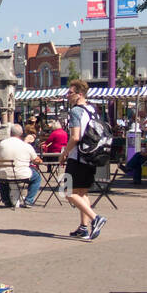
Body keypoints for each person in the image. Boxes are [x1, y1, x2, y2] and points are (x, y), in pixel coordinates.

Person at [57, 80, 106, 240]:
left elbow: (75, 137)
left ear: (80, 94)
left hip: (77, 157)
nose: (67, 95)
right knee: (82, 192)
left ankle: (95, 218)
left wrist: (65, 152)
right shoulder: (93, 109)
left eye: (70, 92)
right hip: (91, 156)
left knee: (68, 192)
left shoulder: (76, 111)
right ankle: (83, 228)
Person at [0, 124, 41, 207]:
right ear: (22, 133)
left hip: (3, 173)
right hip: (22, 173)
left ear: (10, 133)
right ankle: (28, 200)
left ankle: (6, 200)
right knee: (37, 178)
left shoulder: (1, 144)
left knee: (2, 179)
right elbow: (36, 160)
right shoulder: (26, 145)